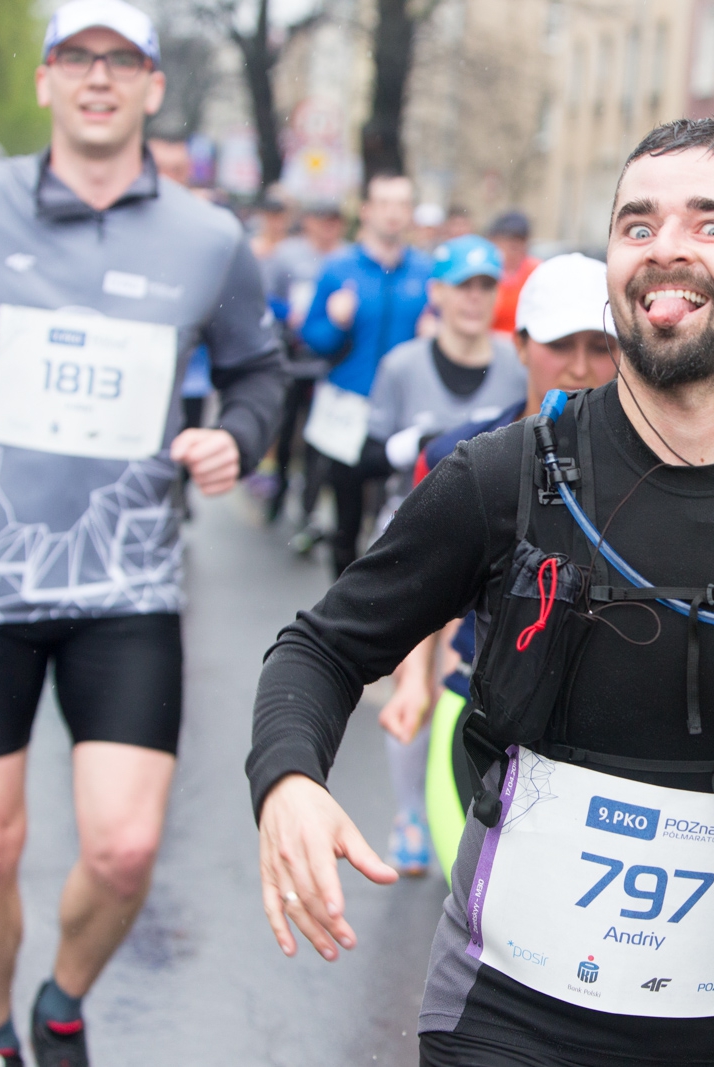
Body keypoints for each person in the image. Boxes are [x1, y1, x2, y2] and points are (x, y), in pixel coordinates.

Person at [247, 117, 714, 1067]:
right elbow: (319, 649)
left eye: (712, 223)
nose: (666, 247)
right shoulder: (507, 477)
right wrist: (286, 780)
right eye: (637, 224)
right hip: (501, 1019)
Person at [0, 5, 287, 1066]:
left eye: (125, 59)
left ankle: (60, 1002)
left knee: (122, 850)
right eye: (79, 56)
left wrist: (237, 441)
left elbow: (260, 373)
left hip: (127, 587)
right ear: (44, 80)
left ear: (155, 85)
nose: (101, 77)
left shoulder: (209, 238)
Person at [371, 252, 623, 883]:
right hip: (476, 715)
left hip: (599, 741)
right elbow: (420, 591)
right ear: (519, 345)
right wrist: (412, 682)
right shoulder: (465, 459)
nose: (581, 366)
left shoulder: (656, 473)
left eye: (602, 346)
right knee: (477, 916)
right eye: (560, 344)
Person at [365, 232, 527, 875]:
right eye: (463, 286)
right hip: (413, 534)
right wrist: (423, 443)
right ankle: (410, 814)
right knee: (418, 678)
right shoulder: (405, 364)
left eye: (486, 286)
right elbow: (368, 452)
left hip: (493, 541)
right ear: (437, 293)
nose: (474, 299)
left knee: (469, 677)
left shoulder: (518, 366)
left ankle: (478, 817)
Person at [300, 172, 436, 577]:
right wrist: (335, 322)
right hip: (349, 409)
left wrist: (433, 334)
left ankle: (384, 601)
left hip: (403, 412)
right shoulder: (338, 268)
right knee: (347, 516)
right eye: (385, 203)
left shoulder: (425, 272)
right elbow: (312, 339)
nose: (393, 214)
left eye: (402, 204)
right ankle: (341, 597)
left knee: (400, 513)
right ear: (367, 211)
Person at [265, 201, 346, 528]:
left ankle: (307, 508)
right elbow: (267, 297)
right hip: (291, 359)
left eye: (334, 221)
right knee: (286, 431)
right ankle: (278, 492)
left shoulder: (344, 259)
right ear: (309, 221)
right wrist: (290, 316)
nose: (328, 227)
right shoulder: (287, 255)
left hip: (326, 365)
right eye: (322, 219)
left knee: (317, 439)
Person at [488, 209, 540, 335]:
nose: (514, 245)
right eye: (509, 239)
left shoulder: (536, 271)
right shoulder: (485, 271)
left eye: (520, 239)